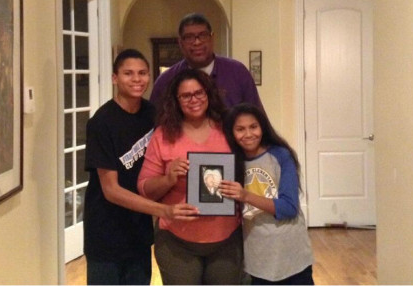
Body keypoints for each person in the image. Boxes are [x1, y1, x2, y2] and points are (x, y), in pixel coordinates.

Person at [83, 49, 199, 285]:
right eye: (128, 73)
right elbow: (111, 190)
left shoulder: (153, 114)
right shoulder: (101, 122)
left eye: (142, 73)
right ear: (115, 78)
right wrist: (163, 211)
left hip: (139, 231)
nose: (137, 79)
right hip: (106, 232)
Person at [137, 69, 243, 285]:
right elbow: (144, 188)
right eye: (186, 95)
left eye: (199, 93)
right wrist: (168, 178)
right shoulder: (163, 135)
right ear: (176, 100)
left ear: (208, 94)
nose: (194, 99)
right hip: (177, 242)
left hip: (227, 239)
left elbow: (250, 168)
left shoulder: (229, 129)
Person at [220, 103, 315, 285]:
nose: (248, 134)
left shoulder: (281, 155)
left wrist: (245, 195)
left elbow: (289, 208)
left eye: (253, 127)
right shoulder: (230, 162)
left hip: (292, 255)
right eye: (240, 129)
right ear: (231, 133)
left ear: (262, 127)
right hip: (258, 257)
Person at [150, 12, 263, 110]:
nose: (197, 42)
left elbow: (256, 119)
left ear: (212, 37)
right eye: (189, 37)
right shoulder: (166, 81)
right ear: (180, 42)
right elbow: (154, 125)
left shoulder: (237, 72)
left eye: (203, 35)